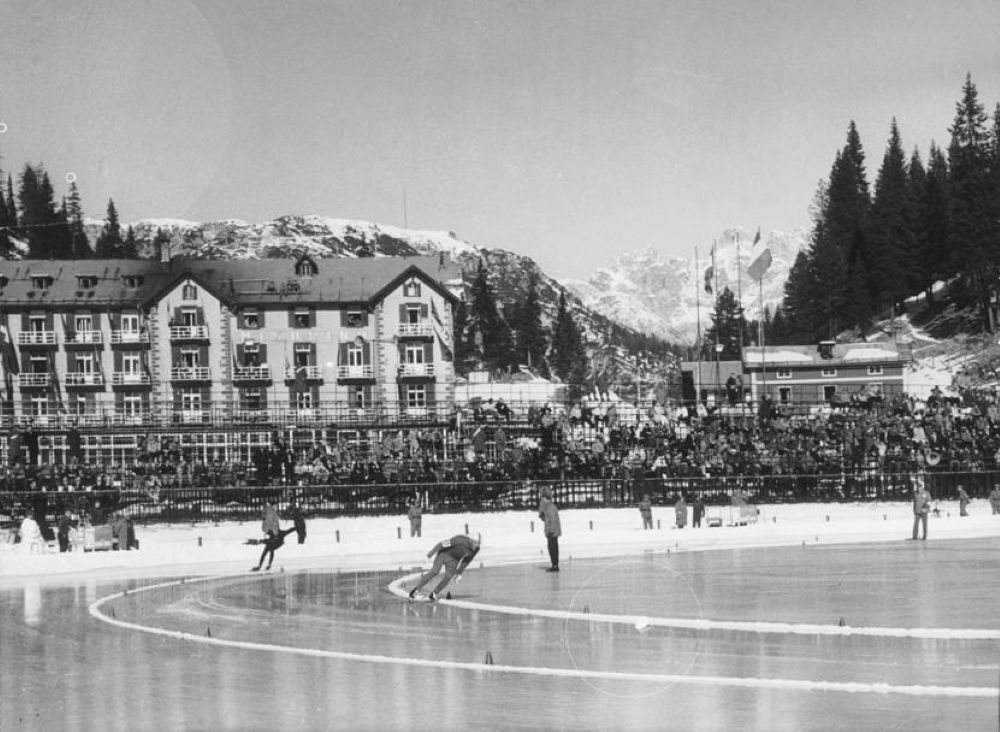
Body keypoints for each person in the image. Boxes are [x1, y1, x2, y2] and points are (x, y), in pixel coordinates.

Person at [408, 534, 481, 601]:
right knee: (435, 571)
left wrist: (459, 573)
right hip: (443, 554)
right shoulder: (459, 540)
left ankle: (434, 593)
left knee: (448, 577)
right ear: (471, 540)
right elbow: (441, 544)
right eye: (475, 543)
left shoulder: (476, 549)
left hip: (454, 560)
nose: (476, 546)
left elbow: (466, 561)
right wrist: (429, 555)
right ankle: (416, 590)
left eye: (478, 544)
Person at [538, 485, 561, 571]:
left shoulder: (550, 507)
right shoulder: (548, 506)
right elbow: (548, 519)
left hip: (552, 532)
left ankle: (555, 565)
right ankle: (554, 564)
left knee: (553, 548)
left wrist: (551, 531)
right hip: (551, 531)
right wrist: (543, 517)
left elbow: (553, 521)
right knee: (551, 548)